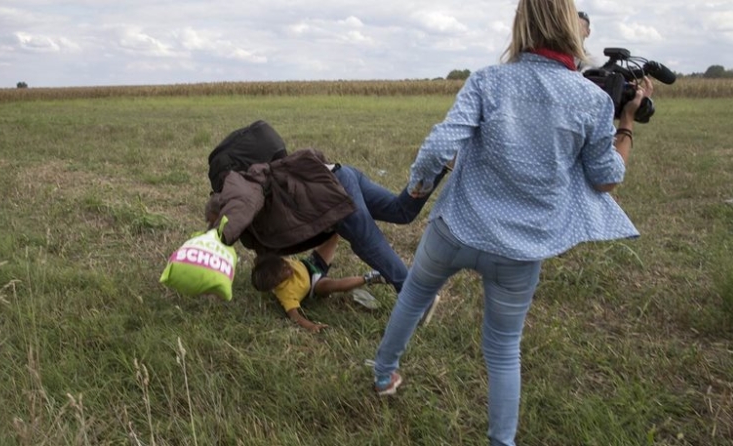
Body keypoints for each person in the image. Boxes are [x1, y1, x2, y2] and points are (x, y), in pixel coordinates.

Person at [371, 1, 653, 445]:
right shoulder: (593, 100)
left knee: (412, 298)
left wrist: (419, 188)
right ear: (572, 31)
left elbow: (439, 145)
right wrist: (628, 121)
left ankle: (383, 375)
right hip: (520, 252)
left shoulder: (488, 80)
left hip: (455, 228)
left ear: (521, 25)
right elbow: (606, 180)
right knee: (503, 349)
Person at [206, 148, 449, 293]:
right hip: (338, 174)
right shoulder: (255, 233)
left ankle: (416, 296)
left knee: (367, 242)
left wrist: (215, 238)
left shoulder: (239, 194)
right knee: (400, 212)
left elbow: (241, 208)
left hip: (330, 194)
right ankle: (436, 165)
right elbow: (268, 254)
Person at [251, 233, 386, 333]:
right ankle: (370, 278)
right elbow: (295, 316)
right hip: (315, 284)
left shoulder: (275, 264)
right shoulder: (286, 294)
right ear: (277, 282)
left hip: (311, 264)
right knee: (332, 285)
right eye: (285, 270)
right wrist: (311, 326)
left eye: (285, 263)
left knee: (333, 236)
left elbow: (261, 256)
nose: (288, 266)